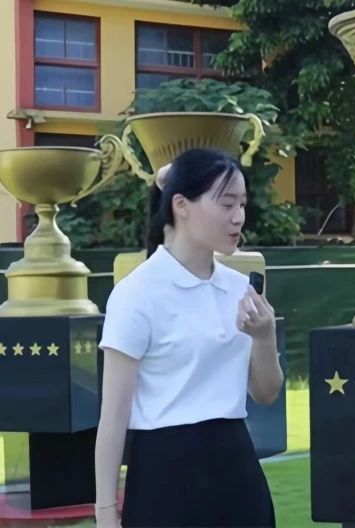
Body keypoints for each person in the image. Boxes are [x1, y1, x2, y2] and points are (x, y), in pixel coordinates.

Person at [94, 148, 283, 527]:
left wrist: (265, 337)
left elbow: (266, 393)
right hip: (165, 477)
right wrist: (105, 511)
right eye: (226, 204)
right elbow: (113, 416)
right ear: (181, 205)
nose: (238, 217)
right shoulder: (137, 293)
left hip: (237, 470)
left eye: (242, 204)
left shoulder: (240, 289)